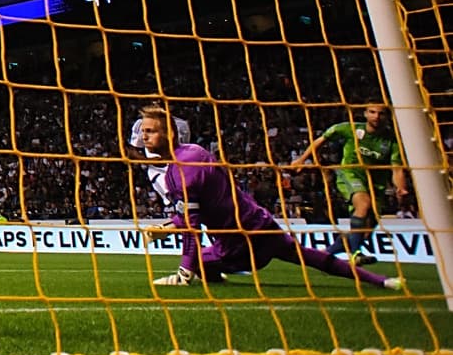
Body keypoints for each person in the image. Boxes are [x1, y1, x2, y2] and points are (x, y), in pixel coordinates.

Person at [138, 108, 401, 291]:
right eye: (144, 131)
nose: (144, 136)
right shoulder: (195, 153)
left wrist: (185, 271)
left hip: (240, 243)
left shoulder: (179, 172)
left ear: (170, 134)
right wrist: (169, 226)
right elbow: (204, 206)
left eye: (151, 131)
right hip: (263, 225)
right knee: (312, 257)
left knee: (200, 263)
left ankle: (208, 273)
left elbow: (192, 227)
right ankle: (382, 281)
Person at [291, 103, 409, 265]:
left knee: (364, 232)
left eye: (381, 113)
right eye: (372, 112)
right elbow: (321, 139)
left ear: (387, 117)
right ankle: (355, 254)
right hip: (350, 174)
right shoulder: (349, 129)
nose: (376, 116)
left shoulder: (392, 141)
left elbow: (397, 169)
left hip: (376, 185)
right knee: (363, 203)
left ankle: (325, 254)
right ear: (365, 113)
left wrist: (401, 187)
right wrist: (302, 159)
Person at [128, 102, 191, 209]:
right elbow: (132, 150)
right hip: (157, 171)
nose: (157, 105)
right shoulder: (141, 123)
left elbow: (183, 148)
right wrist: (148, 161)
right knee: (176, 203)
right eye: (154, 102)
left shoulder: (182, 124)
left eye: (160, 102)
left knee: (188, 201)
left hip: (178, 167)